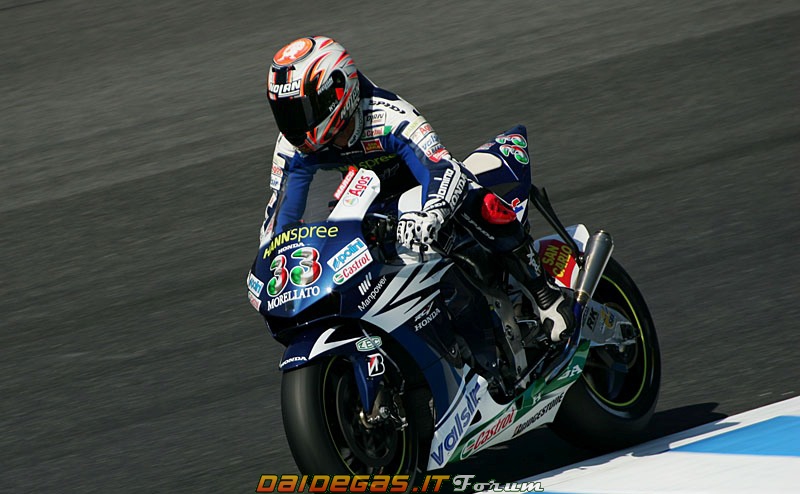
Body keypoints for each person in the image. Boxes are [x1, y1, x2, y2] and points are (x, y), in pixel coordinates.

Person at [262, 35, 575, 343]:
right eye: (284, 113)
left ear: (337, 93)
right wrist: (273, 254)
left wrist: (432, 213)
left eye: (300, 111)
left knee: (472, 197)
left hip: (424, 201)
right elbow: (282, 211)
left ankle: (544, 294)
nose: (291, 125)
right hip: (371, 208)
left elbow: (440, 166)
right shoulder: (292, 148)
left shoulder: (385, 115)